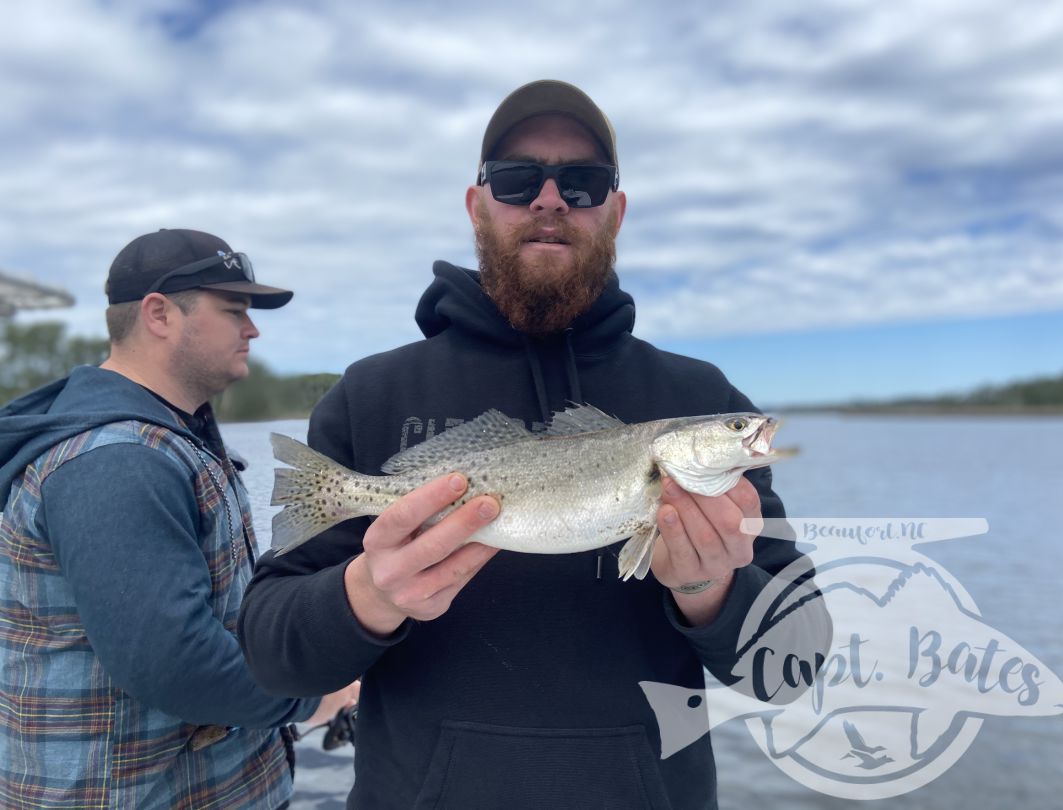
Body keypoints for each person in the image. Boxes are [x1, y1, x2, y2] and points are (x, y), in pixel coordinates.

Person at [238, 81, 829, 809]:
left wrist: (711, 592)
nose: (551, 200)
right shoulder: (371, 393)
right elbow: (269, 653)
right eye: (519, 179)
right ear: (477, 204)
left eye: (583, 183)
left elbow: (794, 664)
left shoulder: (701, 399)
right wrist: (365, 595)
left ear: (615, 210)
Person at [0, 229, 358, 809]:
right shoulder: (118, 460)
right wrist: (311, 698)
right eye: (234, 310)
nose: (253, 329)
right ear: (160, 314)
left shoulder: (164, 438)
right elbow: (177, 665)